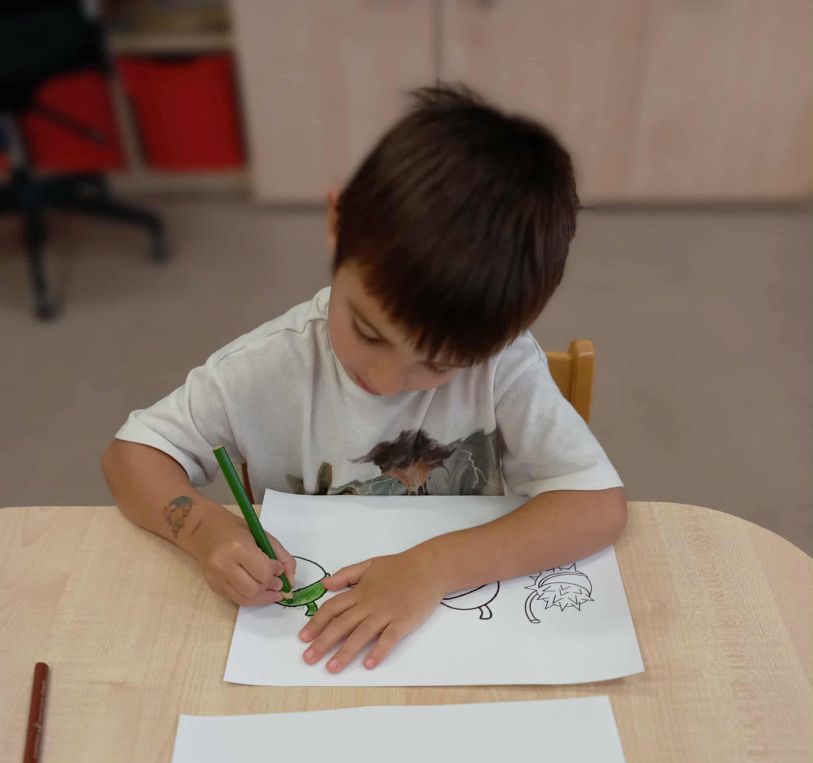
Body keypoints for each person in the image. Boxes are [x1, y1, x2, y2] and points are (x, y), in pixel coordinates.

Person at [102, 84, 627, 674]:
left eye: (438, 364)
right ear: (338, 222)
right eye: (368, 332)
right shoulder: (265, 366)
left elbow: (597, 508)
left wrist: (433, 568)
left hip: (451, 646)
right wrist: (202, 529)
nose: (386, 380)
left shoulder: (503, 363)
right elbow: (131, 456)